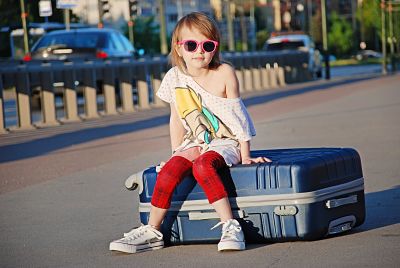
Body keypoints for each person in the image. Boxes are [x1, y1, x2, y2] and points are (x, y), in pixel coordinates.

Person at [109, 12, 270, 254]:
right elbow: (176, 118)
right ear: (179, 48)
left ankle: (230, 225)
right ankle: (153, 230)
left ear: (215, 48)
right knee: (171, 170)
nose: (199, 51)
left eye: (207, 45)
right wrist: (176, 152)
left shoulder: (224, 72)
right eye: (191, 45)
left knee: (203, 166)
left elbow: (239, 117)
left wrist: (245, 155)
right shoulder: (174, 77)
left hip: (226, 142)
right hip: (194, 140)